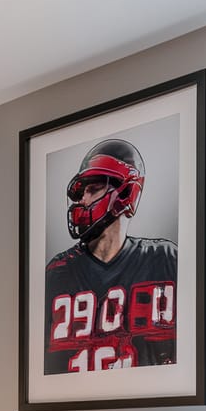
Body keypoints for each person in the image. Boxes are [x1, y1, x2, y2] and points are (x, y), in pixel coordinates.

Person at [44, 137, 177, 374]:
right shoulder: (58, 272)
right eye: (81, 192)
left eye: (93, 188)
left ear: (126, 192)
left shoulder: (165, 259)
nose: (83, 200)